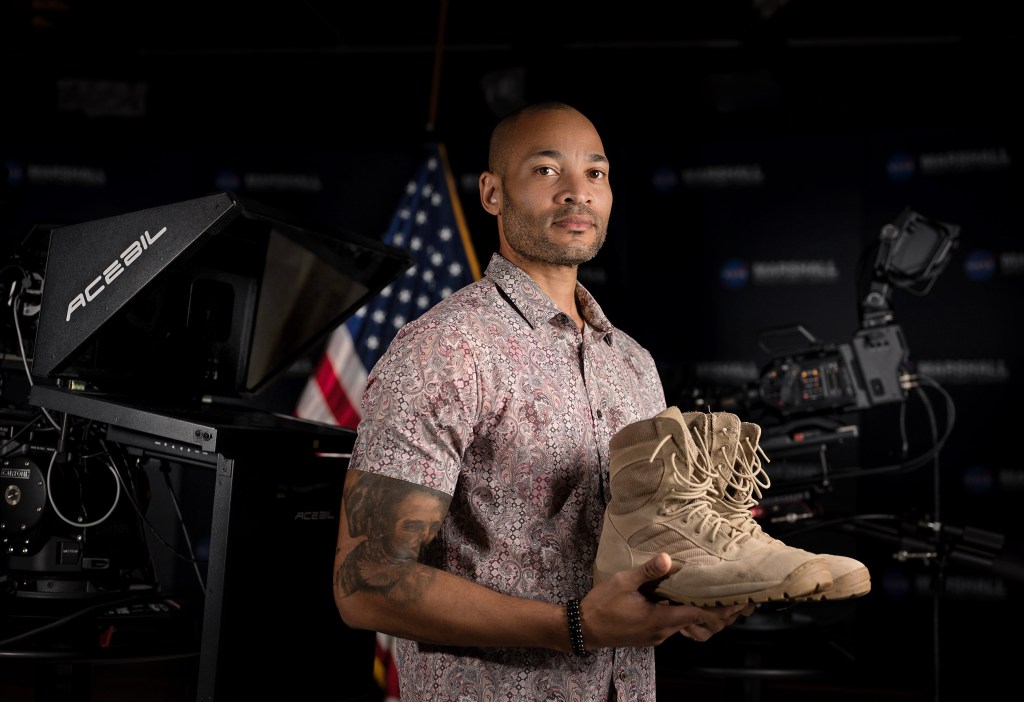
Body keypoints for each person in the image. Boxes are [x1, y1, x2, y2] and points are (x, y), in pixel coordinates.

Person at [333, 101, 754, 702]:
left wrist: (687, 598)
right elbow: (366, 581)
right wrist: (575, 628)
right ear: (491, 193)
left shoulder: (633, 363)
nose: (576, 193)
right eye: (546, 170)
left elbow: (637, 548)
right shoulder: (444, 349)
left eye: (596, 174)